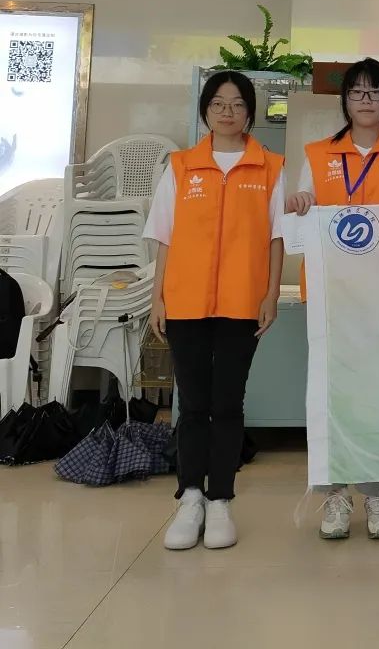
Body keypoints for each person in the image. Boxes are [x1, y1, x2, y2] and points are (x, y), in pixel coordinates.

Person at [286, 57, 379, 543]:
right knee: (330, 395)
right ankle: (335, 495)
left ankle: (378, 494)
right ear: (345, 101)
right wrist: (300, 203)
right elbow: (299, 212)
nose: (366, 100)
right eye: (357, 92)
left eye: (375, 92)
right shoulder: (318, 154)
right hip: (331, 294)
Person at [146, 71, 285, 551]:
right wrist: (157, 297)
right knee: (191, 405)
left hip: (242, 303)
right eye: (219, 103)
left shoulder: (270, 167)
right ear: (205, 110)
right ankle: (189, 497)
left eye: (238, 104)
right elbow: (164, 236)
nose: (228, 112)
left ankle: (220, 498)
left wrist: (270, 296)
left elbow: (276, 237)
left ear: (250, 113)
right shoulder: (181, 166)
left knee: (227, 404)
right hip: (185, 301)